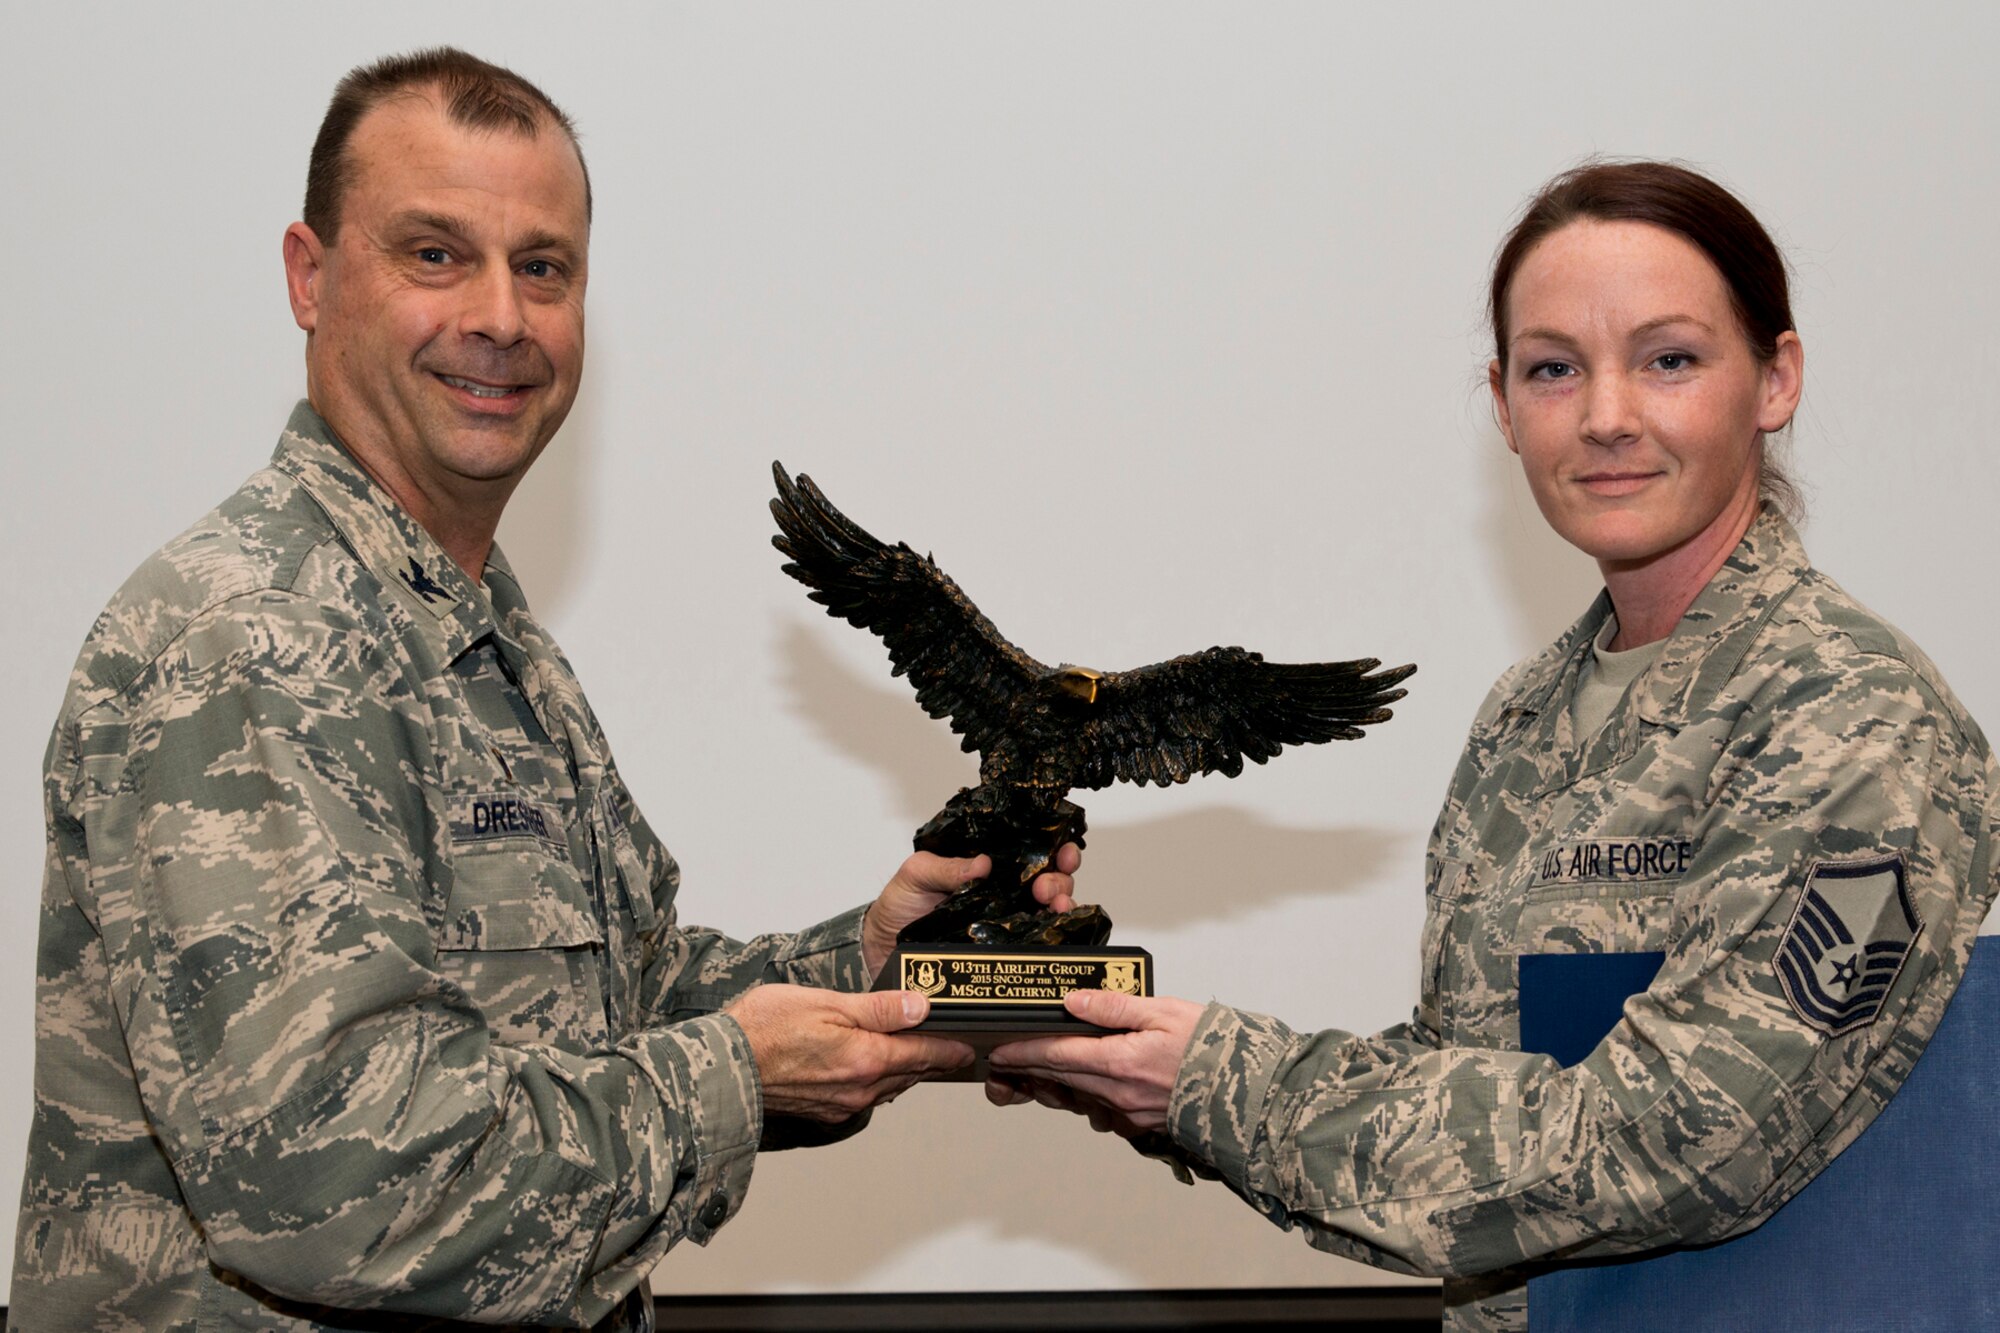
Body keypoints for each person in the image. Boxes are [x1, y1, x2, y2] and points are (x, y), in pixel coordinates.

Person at [13, 48, 1078, 1330]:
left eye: (543, 267)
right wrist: (740, 1073)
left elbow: (599, 1009)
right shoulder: (254, 636)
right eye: (433, 255)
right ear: (311, 276)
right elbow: (338, 1187)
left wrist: (868, 965)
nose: (501, 320)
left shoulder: (478, 629)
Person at [986, 160, 2000, 1331]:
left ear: (1774, 380)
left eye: (1668, 359)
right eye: (1552, 369)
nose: (1606, 414)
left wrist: (1215, 1076)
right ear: (1504, 403)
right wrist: (1141, 1077)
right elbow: (1460, 1139)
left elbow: (1681, 1141)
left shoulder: (1847, 716)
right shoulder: (1527, 717)